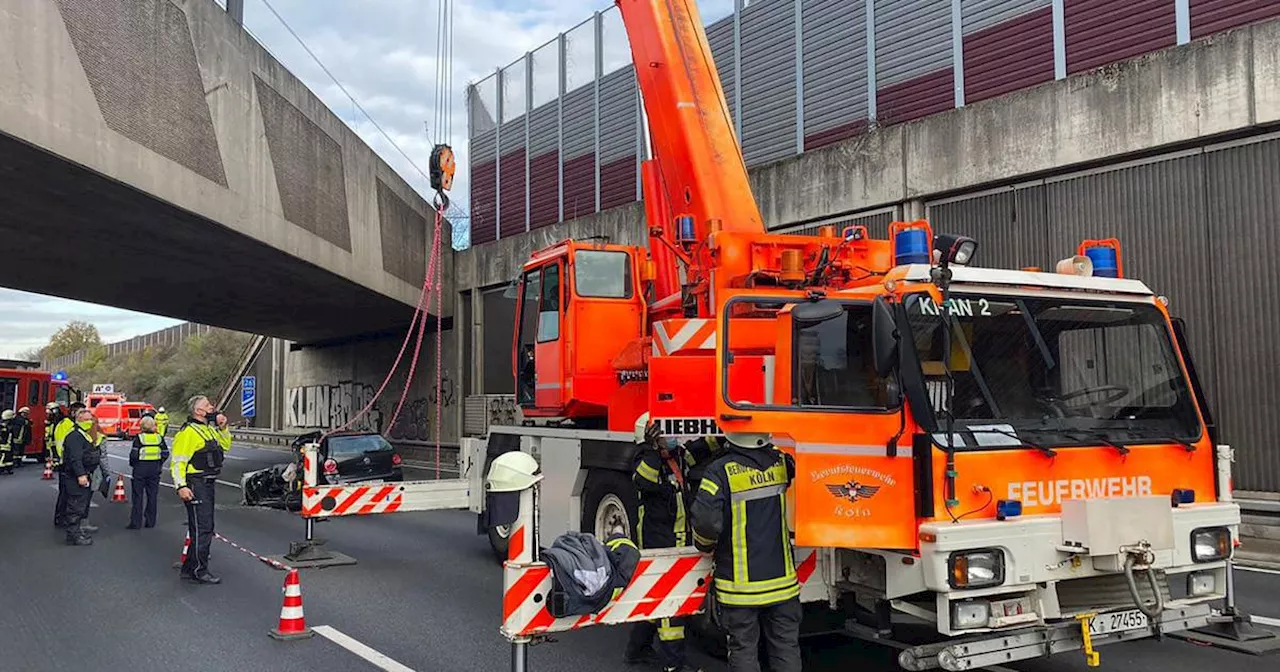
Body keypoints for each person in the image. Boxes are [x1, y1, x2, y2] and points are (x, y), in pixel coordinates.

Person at [691, 432, 801, 672]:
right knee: (786, 648)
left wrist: (705, 545)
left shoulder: (719, 471)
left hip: (741, 589)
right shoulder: (781, 462)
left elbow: (706, 523)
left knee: (744, 650)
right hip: (783, 583)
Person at [624, 414, 702, 672]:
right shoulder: (643, 459)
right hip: (659, 538)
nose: (671, 437)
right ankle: (674, 664)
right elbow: (643, 480)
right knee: (671, 602)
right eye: (664, 433)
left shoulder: (677, 456)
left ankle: (637, 651)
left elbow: (697, 452)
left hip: (679, 535)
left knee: (653, 595)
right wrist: (653, 449)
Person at [171, 395, 230, 584]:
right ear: (198, 411)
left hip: (208, 482)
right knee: (203, 528)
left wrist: (222, 428)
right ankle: (199, 571)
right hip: (196, 483)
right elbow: (178, 462)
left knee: (204, 527)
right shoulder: (187, 433)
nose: (212, 408)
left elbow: (225, 446)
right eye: (207, 405)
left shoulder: (208, 430)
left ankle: (189, 569)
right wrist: (181, 486)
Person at [61, 408, 102, 546]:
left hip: (84, 474)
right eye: (86, 420)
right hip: (75, 477)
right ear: (78, 420)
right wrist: (81, 475)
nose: (89, 422)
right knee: (75, 506)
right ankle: (73, 535)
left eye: (91, 419)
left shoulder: (83, 435)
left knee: (79, 505)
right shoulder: (75, 436)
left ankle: (76, 531)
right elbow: (75, 458)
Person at [128, 416, 169, 529]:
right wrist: (159, 462)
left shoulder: (139, 438)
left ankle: (136, 522)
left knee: (137, 496)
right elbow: (165, 453)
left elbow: (134, 455)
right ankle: (150, 521)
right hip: (155, 469)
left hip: (140, 469)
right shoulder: (159, 438)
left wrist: (133, 464)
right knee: (152, 496)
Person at [53, 402, 85, 528]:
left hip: (68, 463)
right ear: (73, 413)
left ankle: (63, 518)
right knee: (66, 494)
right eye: (81, 412)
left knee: (67, 494)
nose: (83, 415)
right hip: (66, 464)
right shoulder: (66, 425)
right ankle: (61, 519)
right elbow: (63, 446)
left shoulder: (70, 424)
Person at [0, 410, 14, 475]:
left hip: (7, 445)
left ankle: (7, 469)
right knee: (4, 458)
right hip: (5, 446)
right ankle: (5, 469)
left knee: (7, 458)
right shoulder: (6, 427)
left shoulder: (5, 426)